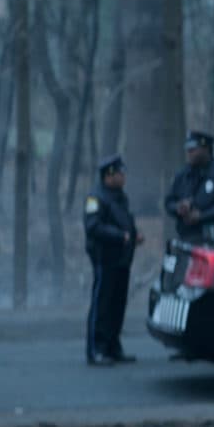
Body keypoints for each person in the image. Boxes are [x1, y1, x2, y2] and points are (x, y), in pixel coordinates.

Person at [84, 154, 144, 366]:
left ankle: (112, 346)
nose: (123, 176)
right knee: (102, 304)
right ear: (109, 175)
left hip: (121, 259)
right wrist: (120, 236)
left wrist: (133, 234)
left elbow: (124, 221)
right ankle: (96, 349)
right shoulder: (96, 197)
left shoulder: (120, 196)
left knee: (117, 304)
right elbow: (93, 227)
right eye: (120, 173)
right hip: (104, 258)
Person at [164, 131, 214, 241]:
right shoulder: (182, 175)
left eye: (193, 149)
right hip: (186, 237)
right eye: (188, 149)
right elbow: (168, 202)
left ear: (206, 148)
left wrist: (202, 216)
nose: (189, 152)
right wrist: (178, 207)